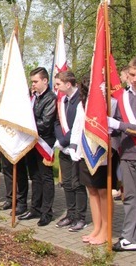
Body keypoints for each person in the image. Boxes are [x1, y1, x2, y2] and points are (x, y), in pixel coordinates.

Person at [108, 56, 136, 257]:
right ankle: (129, 238)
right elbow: (116, 123)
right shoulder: (122, 97)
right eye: (132, 75)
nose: (134, 79)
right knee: (131, 198)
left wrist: (120, 126)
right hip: (126, 154)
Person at [73, 75, 118, 246]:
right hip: (86, 152)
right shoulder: (81, 104)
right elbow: (78, 128)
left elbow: (115, 128)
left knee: (103, 192)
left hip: (103, 153)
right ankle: (97, 227)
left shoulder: (111, 103)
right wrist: (76, 150)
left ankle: (106, 230)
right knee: (91, 190)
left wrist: (112, 150)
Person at [19, 67, 57, 227]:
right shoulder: (34, 97)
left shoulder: (51, 98)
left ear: (45, 81)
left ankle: (46, 212)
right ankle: (35, 208)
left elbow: (46, 123)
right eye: (31, 81)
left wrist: (26, 126)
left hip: (44, 142)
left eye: (35, 81)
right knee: (34, 176)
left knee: (46, 178)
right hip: (32, 141)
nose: (32, 84)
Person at [53, 71, 88, 232]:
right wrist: (60, 140)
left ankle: (81, 218)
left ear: (68, 84)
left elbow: (78, 126)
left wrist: (63, 140)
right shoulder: (62, 101)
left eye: (58, 84)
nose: (56, 87)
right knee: (66, 183)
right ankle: (71, 214)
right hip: (64, 148)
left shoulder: (80, 101)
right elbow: (57, 122)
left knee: (77, 184)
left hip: (76, 148)